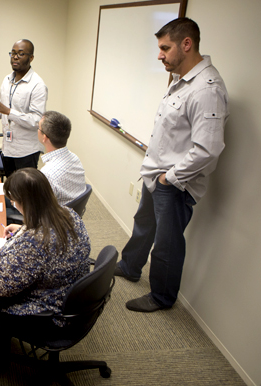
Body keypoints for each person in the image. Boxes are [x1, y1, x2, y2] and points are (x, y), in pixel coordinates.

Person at [114, 18, 229, 312]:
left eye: (165, 48)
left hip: (175, 184)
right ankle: (130, 266)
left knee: (167, 245)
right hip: (156, 174)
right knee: (144, 225)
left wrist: (170, 178)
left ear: (186, 44)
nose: (159, 55)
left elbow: (208, 149)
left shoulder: (206, 89)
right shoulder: (181, 79)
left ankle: (161, 297)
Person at [0, 168, 90, 347]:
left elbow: (1, 285)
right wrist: (22, 229)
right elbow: (49, 240)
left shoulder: (34, 242)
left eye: (13, 201)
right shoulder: (69, 213)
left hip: (48, 312)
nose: (13, 203)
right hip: (71, 292)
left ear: (24, 203)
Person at [0, 39, 47, 175]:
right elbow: (1, 112)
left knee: (24, 192)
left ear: (31, 57)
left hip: (26, 151)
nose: (15, 57)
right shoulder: (7, 80)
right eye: (13, 53)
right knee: (10, 187)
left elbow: (36, 121)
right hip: (7, 148)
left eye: (21, 54)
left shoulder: (38, 85)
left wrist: (9, 111)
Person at [38, 110, 86, 206]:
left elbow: (36, 208)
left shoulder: (47, 174)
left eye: (38, 128)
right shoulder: (74, 158)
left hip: (54, 217)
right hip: (70, 213)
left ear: (45, 137)